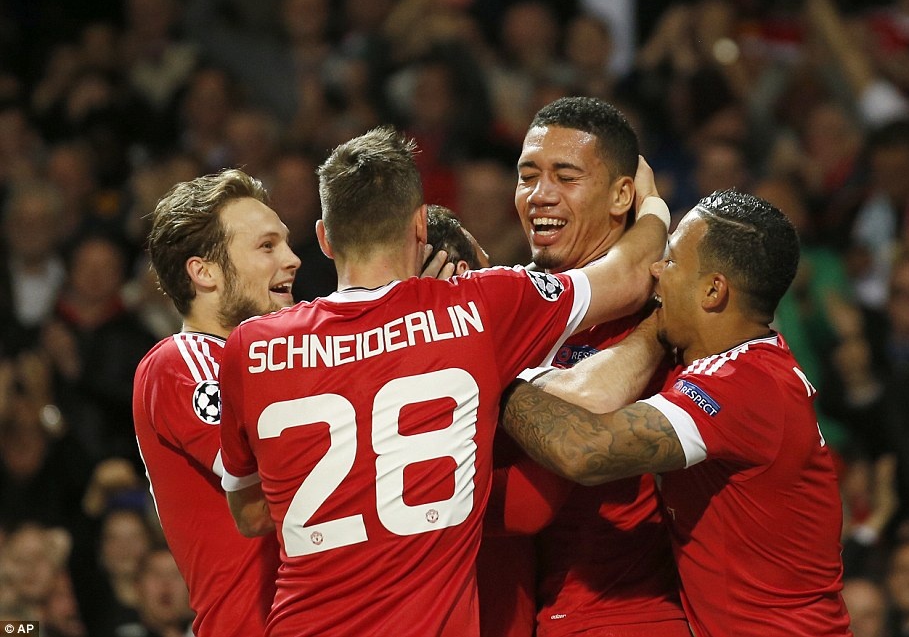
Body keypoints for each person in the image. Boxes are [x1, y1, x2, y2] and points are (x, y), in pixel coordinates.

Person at [217, 125, 669, 636]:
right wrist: (652, 204)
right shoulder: (477, 309)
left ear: (324, 237)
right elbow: (630, 275)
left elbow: (250, 514)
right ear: (419, 225)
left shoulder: (249, 348)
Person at [500, 189, 853, 636]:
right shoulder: (743, 368)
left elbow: (585, 451)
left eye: (670, 261)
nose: (655, 271)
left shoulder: (742, 382)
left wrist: (491, 376)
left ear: (712, 290)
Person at [482, 96, 687, 637]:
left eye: (566, 177)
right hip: (536, 614)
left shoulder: (673, 315)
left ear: (622, 195)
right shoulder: (518, 304)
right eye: (528, 176)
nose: (540, 195)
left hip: (630, 616)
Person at [132, 169, 300, 636]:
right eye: (266, 246)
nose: (292, 259)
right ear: (204, 272)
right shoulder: (179, 362)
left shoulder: (283, 360)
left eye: (285, 243)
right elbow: (279, 476)